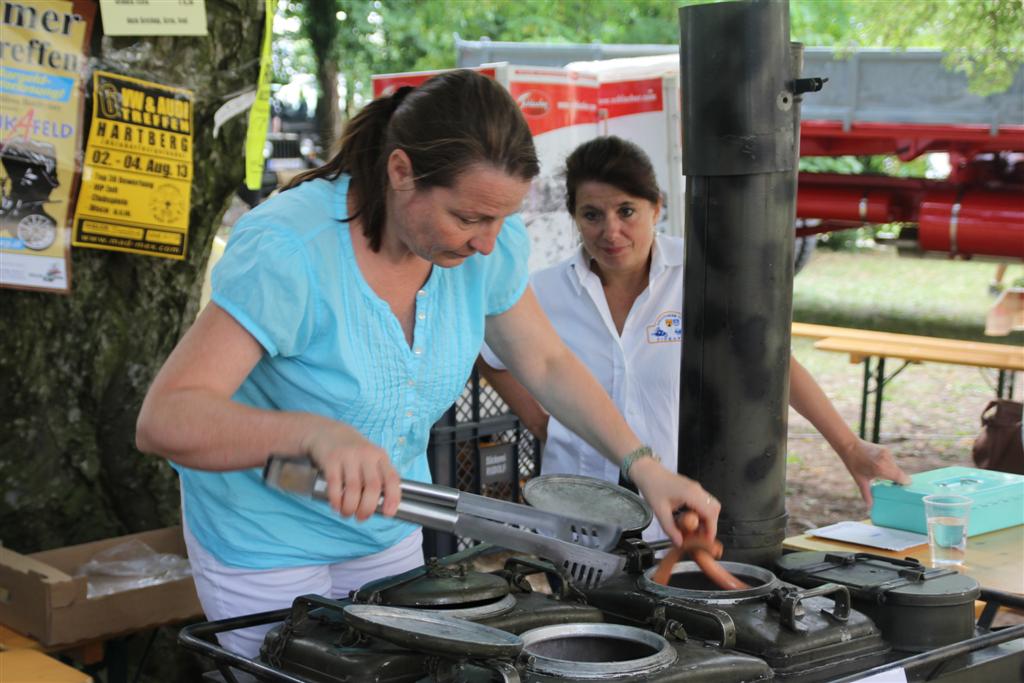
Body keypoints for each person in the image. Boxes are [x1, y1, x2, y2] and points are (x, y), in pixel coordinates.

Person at [136, 73, 720, 657]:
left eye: (500, 219)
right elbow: (167, 419)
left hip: (387, 524)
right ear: (400, 173)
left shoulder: (485, 244)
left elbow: (545, 362)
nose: (488, 244)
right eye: (468, 219)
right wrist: (310, 433)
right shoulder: (291, 250)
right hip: (264, 541)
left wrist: (643, 465)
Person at [478, 135, 911, 541]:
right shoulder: (544, 290)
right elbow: (492, 356)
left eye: (626, 211)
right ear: (574, 216)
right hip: (578, 516)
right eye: (592, 215)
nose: (610, 232)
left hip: (680, 515)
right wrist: (543, 421)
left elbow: (769, 361)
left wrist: (850, 446)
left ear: (657, 207)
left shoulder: (700, 278)